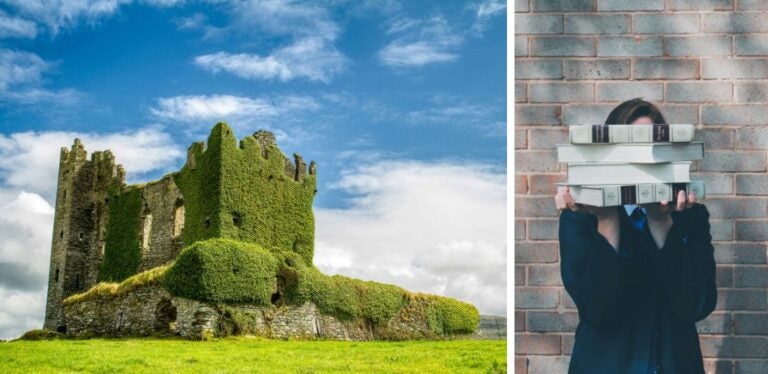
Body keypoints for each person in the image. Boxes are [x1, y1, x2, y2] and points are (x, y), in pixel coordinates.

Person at [555, 98, 717, 373]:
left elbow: (696, 305)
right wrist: (606, 220)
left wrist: (661, 222)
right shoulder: (581, 217)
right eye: (630, 151)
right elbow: (597, 310)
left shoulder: (690, 217)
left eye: (650, 150)